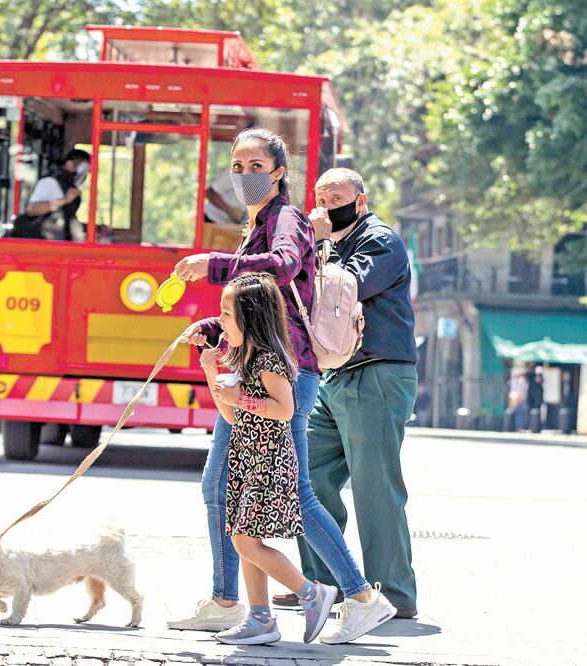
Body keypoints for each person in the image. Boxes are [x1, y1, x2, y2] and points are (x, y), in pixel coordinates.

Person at [167, 129, 395, 644]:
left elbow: (285, 267)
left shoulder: (286, 219)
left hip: (286, 371)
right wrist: (214, 327)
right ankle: (245, 609)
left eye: (256, 166)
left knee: (290, 495)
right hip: (266, 364)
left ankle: (359, 597)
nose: (245, 175)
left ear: (278, 171)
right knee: (228, 490)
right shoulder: (257, 223)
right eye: (237, 165)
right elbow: (260, 305)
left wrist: (213, 264)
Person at [290, 167, 419, 623]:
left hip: (378, 374)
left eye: (337, 197)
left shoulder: (379, 241)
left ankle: (394, 593)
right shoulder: (334, 243)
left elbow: (342, 291)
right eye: (320, 197)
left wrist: (315, 241)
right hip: (336, 375)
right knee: (308, 476)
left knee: (374, 487)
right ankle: (324, 583)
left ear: (360, 201)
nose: (326, 205)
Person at [198, 272, 336, 646]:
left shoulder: (269, 361)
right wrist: (213, 375)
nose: (221, 322)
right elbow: (231, 415)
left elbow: (285, 409)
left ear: (250, 317)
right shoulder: (244, 358)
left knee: (245, 543)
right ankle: (260, 618)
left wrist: (239, 396)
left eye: (226, 314)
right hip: (247, 459)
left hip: (268, 461)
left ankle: (312, 593)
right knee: (244, 538)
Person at [12, 149, 91, 241]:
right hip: (41, 240)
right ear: (69, 164)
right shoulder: (50, 182)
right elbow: (33, 209)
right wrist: (65, 200)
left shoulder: (68, 185)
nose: (84, 173)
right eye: (83, 168)